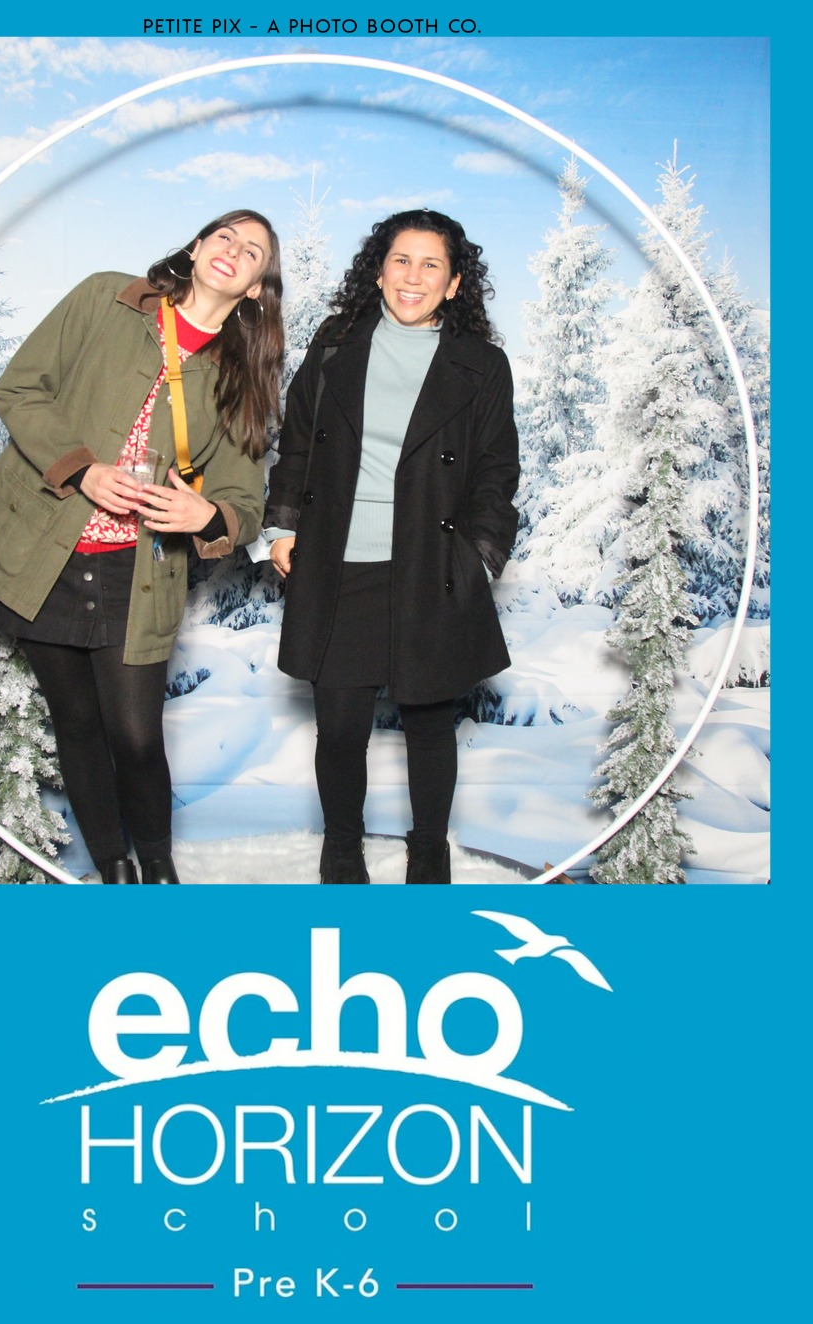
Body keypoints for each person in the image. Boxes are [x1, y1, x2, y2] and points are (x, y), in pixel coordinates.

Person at [0, 210, 284, 884]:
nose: (233, 250)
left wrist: (205, 513)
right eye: (224, 235)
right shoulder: (108, 296)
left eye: (252, 252)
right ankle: (115, 875)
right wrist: (83, 470)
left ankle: (159, 874)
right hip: (42, 554)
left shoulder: (242, 378)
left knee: (134, 735)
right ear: (196, 246)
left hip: (140, 570)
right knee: (75, 723)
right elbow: (19, 389)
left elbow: (244, 505)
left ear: (255, 287)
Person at [264, 209, 518, 885]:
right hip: (339, 562)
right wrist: (281, 525)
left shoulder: (482, 365)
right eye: (401, 259)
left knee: (430, 727)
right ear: (378, 270)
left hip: (431, 566)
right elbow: (298, 442)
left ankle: (428, 854)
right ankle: (342, 851)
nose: (413, 276)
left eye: (432, 264)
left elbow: (497, 473)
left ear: (454, 284)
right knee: (341, 728)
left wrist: (478, 558)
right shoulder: (336, 343)